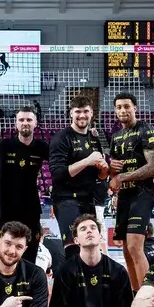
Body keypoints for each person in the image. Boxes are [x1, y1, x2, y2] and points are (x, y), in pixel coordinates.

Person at [107, 93, 154, 289]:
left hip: (142, 192)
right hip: (124, 196)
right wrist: (112, 169)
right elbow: (114, 172)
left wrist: (122, 177)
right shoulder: (116, 136)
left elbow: (153, 167)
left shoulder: (146, 129)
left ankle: (148, 294)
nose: (123, 110)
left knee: (135, 246)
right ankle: (135, 293)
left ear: (135, 108)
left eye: (126, 106)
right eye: (119, 107)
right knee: (126, 250)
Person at [49, 93, 106, 249]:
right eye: (78, 111)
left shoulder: (94, 139)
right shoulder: (61, 138)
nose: (82, 115)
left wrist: (104, 170)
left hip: (88, 200)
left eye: (86, 111)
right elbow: (57, 174)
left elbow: (99, 176)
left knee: (91, 247)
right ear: (71, 113)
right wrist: (87, 161)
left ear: (92, 113)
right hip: (66, 200)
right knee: (72, 247)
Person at [0, 106, 50, 263]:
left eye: (29, 120)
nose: (25, 123)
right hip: (7, 209)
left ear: (35, 123)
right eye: (21, 120)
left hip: (31, 209)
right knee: (6, 254)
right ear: (16, 123)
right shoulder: (4, 146)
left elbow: (62, 159)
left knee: (30, 254)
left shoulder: (41, 147)